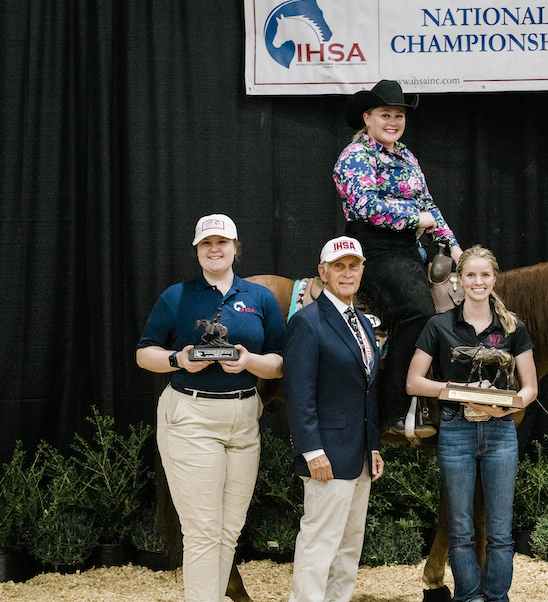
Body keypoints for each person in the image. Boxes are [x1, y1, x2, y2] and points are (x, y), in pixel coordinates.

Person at [135, 213, 285, 602]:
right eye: (207, 243)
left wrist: (249, 361)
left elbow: (281, 361)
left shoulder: (260, 298)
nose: (215, 249)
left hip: (243, 416)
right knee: (203, 530)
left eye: (222, 242)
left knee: (229, 530)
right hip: (191, 416)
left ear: (236, 247)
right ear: (197, 250)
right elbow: (144, 354)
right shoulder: (177, 296)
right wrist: (179, 359)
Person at [406, 245, 538, 602]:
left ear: (494, 279)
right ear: (459, 280)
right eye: (470, 275)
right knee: (461, 529)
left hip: (500, 433)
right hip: (456, 430)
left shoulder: (513, 328)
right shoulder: (440, 325)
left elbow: (530, 389)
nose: (478, 282)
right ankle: (469, 597)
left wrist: (506, 407)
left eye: (484, 275)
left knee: (500, 531)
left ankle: (497, 596)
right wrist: (456, 391)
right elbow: (414, 382)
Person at [334, 79, 462, 436]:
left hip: (410, 248)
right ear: (368, 117)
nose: (393, 121)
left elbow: (428, 203)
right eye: (385, 114)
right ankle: (387, 412)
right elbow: (365, 205)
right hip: (374, 247)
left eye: (399, 115)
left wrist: (452, 245)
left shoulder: (406, 156)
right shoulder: (356, 156)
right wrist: (413, 219)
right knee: (417, 313)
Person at [283, 235, 384, 602]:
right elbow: (298, 392)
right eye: (338, 266)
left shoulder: (363, 323)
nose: (346, 273)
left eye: (353, 266)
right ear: (322, 273)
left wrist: (373, 446)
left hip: (358, 455)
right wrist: (311, 451)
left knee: (348, 546)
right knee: (318, 543)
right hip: (325, 454)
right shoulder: (307, 323)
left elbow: (366, 390)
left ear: (361, 271)